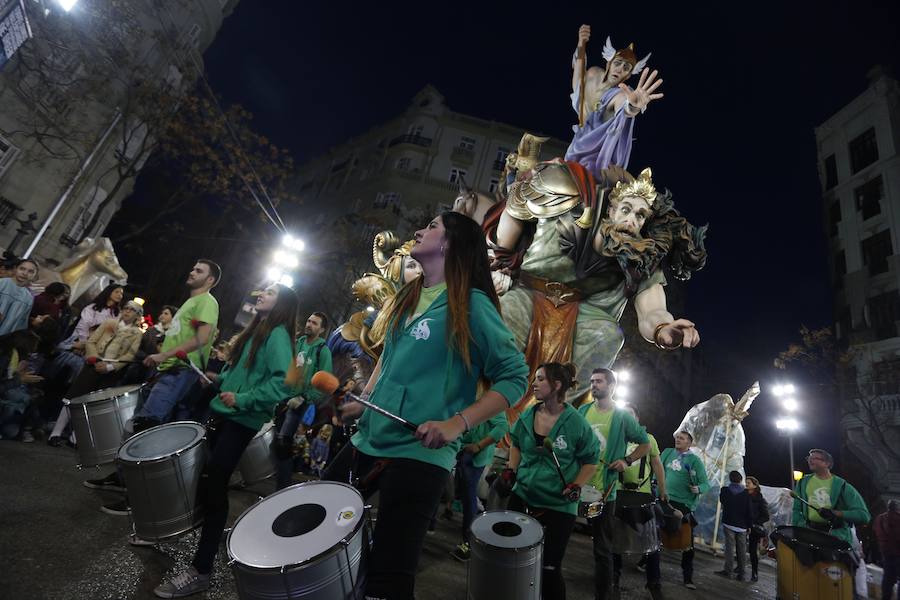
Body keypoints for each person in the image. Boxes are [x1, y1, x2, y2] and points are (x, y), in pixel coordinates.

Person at [326, 212, 529, 600]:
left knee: (390, 573)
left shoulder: (473, 303)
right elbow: (389, 355)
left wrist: (457, 423)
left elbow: (514, 376)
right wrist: (366, 401)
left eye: (432, 227)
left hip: (420, 456)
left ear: (450, 244)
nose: (420, 231)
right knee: (315, 520)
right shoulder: (412, 294)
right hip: (369, 441)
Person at [152, 284, 300, 598]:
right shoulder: (257, 330)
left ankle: (201, 570)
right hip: (224, 415)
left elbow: (283, 384)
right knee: (205, 483)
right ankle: (177, 536)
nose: (261, 293)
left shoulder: (277, 336)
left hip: (240, 421)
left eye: (270, 292)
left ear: (282, 304)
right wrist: (221, 380)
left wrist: (244, 398)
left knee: (215, 487)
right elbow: (246, 374)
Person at [86, 261, 220, 513]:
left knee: (148, 427)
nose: (191, 271)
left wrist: (163, 355)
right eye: (192, 268)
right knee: (139, 425)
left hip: (180, 371)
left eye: (199, 271)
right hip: (167, 371)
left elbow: (202, 339)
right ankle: (122, 478)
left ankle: (136, 496)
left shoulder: (207, 302)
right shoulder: (190, 303)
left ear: (211, 280)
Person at [501, 362, 599, 600]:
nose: (533, 383)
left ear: (556, 385)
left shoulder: (576, 423)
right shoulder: (529, 414)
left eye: (540, 379)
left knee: (549, 568)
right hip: (522, 495)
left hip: (558, 506)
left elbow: (591, 461)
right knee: (511, 560)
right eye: (535, 378)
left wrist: (575, 485)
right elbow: (515, 442)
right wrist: (511, 468)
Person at [578, 368, 650, 600]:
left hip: (603, 492)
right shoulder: (583, 411)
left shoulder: (622, 416)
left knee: (601, 548)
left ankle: (603, 594)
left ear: (611, 386)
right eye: (592, 381)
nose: (594, 384)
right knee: (557, 535)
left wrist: (626, 460)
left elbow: (645, 444)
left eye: (599, 381)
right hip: (576, 486)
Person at [567, 24, 662, 177]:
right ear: (609, 64)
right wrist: (581, 43)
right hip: (576, 146)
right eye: (617, 63)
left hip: (596, 160)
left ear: (628, 76)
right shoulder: (593, 74)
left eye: (626, 68)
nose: (620, 69)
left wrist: (632, 107)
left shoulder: (621, 94)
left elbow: (624, 105)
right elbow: (577, 78)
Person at [47, 301, 144, 446]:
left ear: (137, 315)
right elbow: (91, 341)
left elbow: (129, 355)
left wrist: (111, 367)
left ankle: (75, 437)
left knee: (93, 404)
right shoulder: (109, 323)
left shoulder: (136, 333)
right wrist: (93, 358)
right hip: (92, 365)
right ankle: (56, 433)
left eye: (132, 310)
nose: (127, 311)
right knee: (73, 397)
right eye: (126, 308)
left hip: (110, 371)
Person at [275, 311, 333, 489]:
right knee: (277, 441)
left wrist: (305, 397)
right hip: (286, 400)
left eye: (315, 323)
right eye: (308, 321)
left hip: (302, 404)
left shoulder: (323, 350)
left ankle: (282, 487)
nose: (309, 324)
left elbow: (326, 383)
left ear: (322, 330)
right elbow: (289, 371)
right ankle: (280, 481)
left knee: (284, 440)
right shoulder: (298, 344)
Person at [613, 405, 667, 599]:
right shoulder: (616, 439)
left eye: (630, 414)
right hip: (617, 495)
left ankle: (654, 582)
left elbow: (657, 465)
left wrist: (662, 488)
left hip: (642, 496)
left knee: (651, 543)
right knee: (614, 542)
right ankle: (613, 579)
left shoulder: (649, 439)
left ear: (637, 418)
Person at [449, 410, 508, 562]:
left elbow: (502, 427)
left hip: (473, 454)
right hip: (454, 446)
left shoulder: (489, 396)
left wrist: (478, 446)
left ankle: (469, 543)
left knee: (468, 496)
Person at [660, 430, 710, 590]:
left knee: (687, 543)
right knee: (655, 534)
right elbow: (658, 470)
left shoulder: (695, 461)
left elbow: (705, 484)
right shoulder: (667, 453)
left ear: (689, 443)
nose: (678, 440)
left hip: (684, 505)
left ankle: (688, 577)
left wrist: (698, 488)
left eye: (682, 438)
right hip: (664, 499)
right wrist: (655, 485)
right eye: (677, 437)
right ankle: (645, 562)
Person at [792, 448, 870, 546]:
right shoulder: (803, 483)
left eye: (815, 458)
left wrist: (836, 513)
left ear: (827, 463)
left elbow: (863, 516)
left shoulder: (843, 486)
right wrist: (799, 528)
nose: (810, 460)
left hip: (836, 539)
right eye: (809, 458)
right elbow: (796, 509)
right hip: (809, 538)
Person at [715, 471, 753, 581]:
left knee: (729, 548)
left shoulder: (725, 490)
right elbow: (749, 511)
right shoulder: (746, 494)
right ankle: (742, 574)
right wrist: (749, 525)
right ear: (741, 480)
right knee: (741, 550)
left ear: (730, 479)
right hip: (742, 526)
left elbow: (722, 501)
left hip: (729, 522)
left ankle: (728, 571)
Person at [0, 259, 39, 336]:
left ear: (35, 276)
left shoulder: (28, 299)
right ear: (15, 269)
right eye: (22, 269)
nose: (25, 273)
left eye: (30, 271)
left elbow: (21, 324)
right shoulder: (1, 283)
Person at [874, 499, 900, 600]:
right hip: (898, 553)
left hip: (885, 553)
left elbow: (876, 532)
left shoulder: (879, 519)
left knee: (887, 580)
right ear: (896, 507)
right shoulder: (898, 518)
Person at [746, 475, 770, 582]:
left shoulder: (760, 499)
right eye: (746, 482)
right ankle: (739, 568)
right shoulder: (744, 496)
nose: (746, 484)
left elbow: (766, 516)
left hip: (753, 528)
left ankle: (754, 572)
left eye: (749, 483)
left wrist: (754, 523)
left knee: (752, 551)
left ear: (755, 485)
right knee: (739, 548)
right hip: (742, 525)